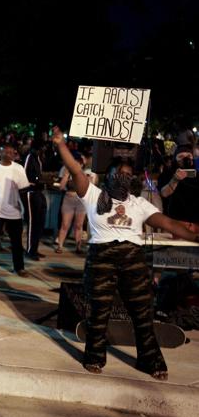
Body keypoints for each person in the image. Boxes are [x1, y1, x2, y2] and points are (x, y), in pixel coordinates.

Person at [52, 127, 199, 381]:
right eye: (118, 174)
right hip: (102, 258)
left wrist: (193, 234)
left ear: (133, 180)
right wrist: (60, 144)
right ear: (107, 176)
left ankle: (150, 359)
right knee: (99, 313)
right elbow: (76, 171)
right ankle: (95, 356)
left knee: (142, 313)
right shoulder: (93, 195)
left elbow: (170, 224)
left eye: (127, 175)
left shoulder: (139, 203)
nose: (122, 178)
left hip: (132, 258)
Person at [0, 143, 30, 276]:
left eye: (11, 152)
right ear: (0, 153)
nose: (9, 154)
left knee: (16, 242)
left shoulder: (19, 168)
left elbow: (24, 190)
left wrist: (26, 209)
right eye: (6, 151)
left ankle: (19, 267)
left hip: (15, 212)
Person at [55, 151, 89, 254]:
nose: (77, 164)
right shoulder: (67, 171)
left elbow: (88, 188)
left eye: (79, 163)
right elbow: (61, 187)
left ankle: (78, 247)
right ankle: (60, 246)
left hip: (81, 201)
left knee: (79, 225)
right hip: (68, 199)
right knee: (65, 224)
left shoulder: (85, 173)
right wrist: (66, 176)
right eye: (75, 162)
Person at [23, 139, 47, 260]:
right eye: (42, 148)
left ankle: (35, 249)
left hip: (39, 191)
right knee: (33, 223)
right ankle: (30, 250)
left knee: (40, 222)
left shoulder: (39, 159)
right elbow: (24, 173)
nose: (43, 150)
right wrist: (33, 182)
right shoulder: (30, 157)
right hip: (31, 192)